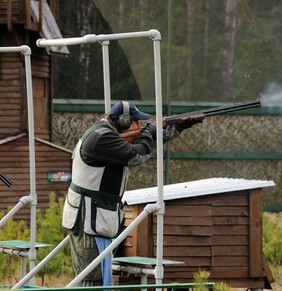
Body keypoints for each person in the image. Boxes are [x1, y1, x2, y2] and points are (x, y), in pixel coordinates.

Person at [62, 100, 199, 286]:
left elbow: (144, 144)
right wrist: (149, 131)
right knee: (92, 279)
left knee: (96, 277)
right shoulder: (102, 139)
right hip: (89, 220)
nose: (139, 126)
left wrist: (177, 128)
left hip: (92, 218)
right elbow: (137, 155)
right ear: (124, 121)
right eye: (136, 122)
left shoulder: (105, 134)